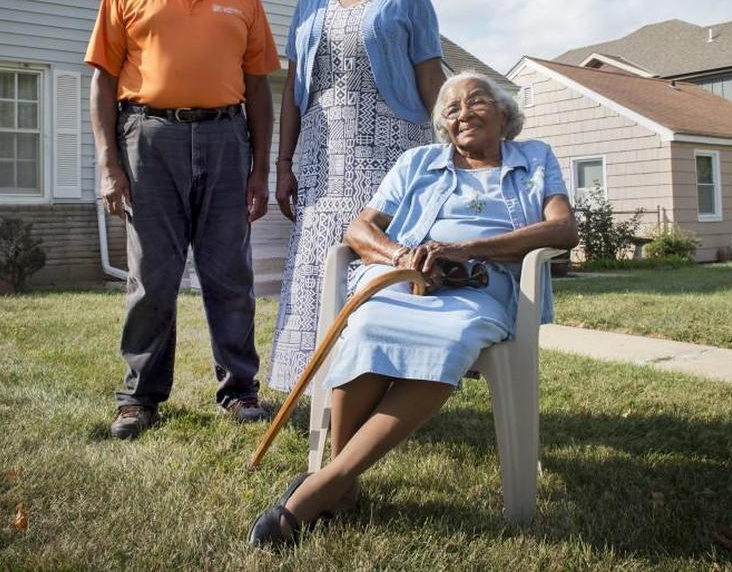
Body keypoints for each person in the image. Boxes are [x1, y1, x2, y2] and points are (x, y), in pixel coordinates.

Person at [248, 72, 580, 545]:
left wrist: (467, 250)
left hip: (482, 290)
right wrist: (404, 257)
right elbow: (359, 231)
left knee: (449, 336)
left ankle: (327, 481)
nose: (463, 113)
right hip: (405, 281)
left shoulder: (535, 157)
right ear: (443, 126)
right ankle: (342, 486)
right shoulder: (418, 162)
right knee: (366, 326)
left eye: (477, 101)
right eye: (451, 109)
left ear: (504, 112)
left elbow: (564, 230)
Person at [86, 0, 280, 439]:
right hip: (148, 139)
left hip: (225, 139)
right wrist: (108, 163)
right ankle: (139, 397)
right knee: (152, 276)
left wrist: (258, 167)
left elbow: (258, 86)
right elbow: (102, 77)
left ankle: (240, 391)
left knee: (230, 273)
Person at [269, 0, 446, 392]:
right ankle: (317, 383)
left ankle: (381, 383)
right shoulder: (306, 3)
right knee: (317, 268)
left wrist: (447, 153)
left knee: (381, 262)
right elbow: (292, 94)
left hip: (392, 150)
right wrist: (286, 163)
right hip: (323, 159)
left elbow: (430, 77)